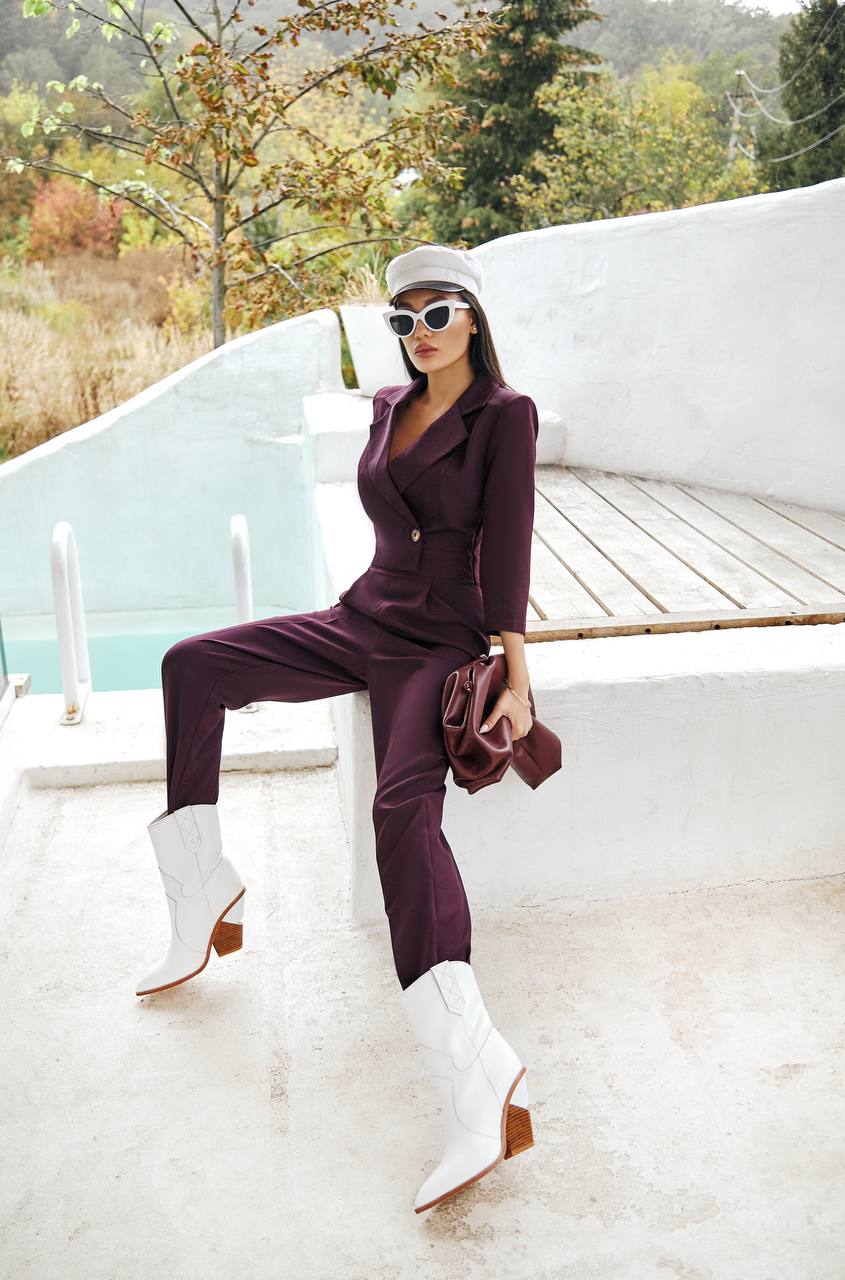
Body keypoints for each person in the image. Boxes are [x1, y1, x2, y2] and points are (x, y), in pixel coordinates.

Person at [135, 244, 539, 1213]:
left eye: (436, 314)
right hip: (362, 614)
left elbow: (512, 538)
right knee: (193, 663)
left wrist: (515, 672)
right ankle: (202, 893)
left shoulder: (503, 416)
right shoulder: (388, 409)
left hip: (439, 634)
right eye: (401, 320)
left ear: (473, 318)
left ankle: (477, 1074)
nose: (419, 333)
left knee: (401, 810)